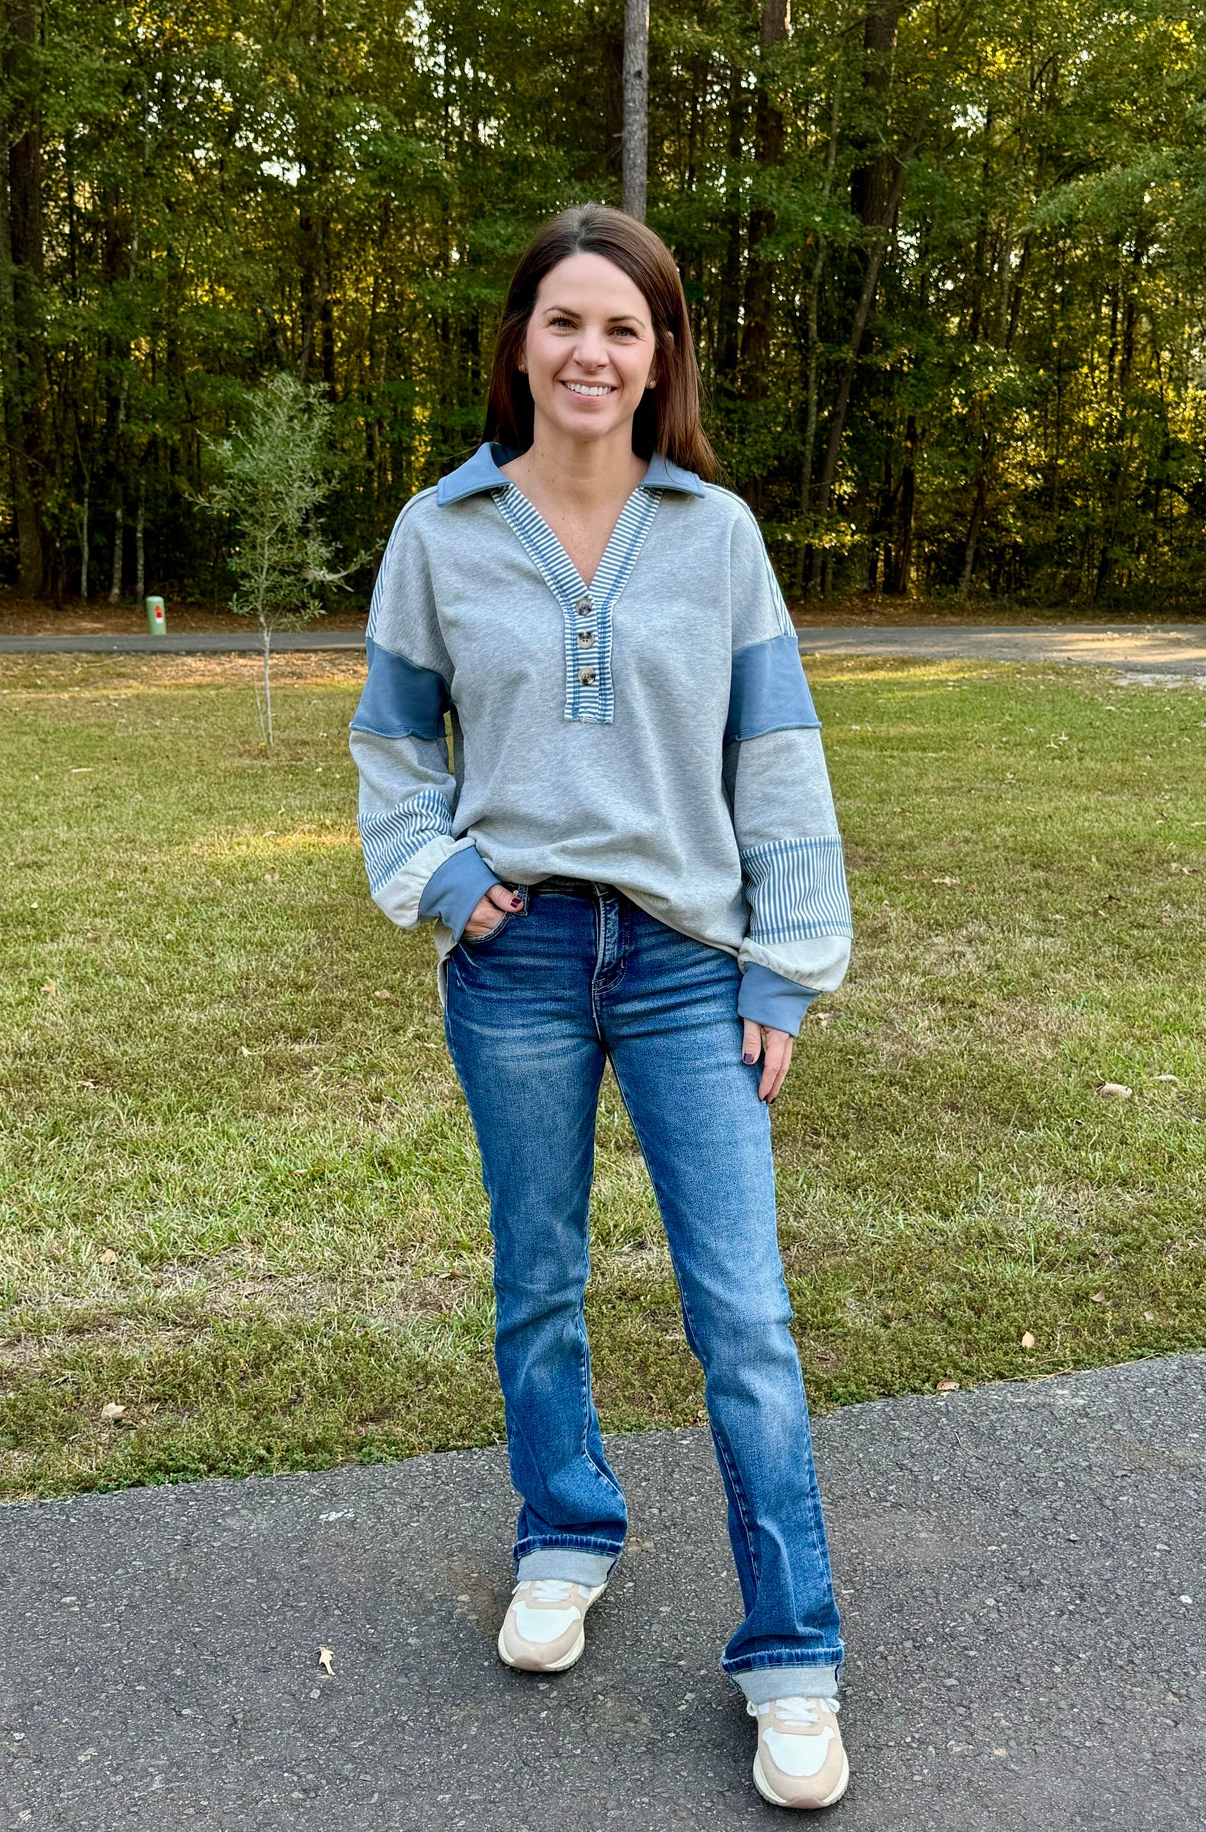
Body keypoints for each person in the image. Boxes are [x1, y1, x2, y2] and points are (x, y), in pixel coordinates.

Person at [349, 203, 853, 1810]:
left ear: (659, 359)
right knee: (539, 1278)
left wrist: (786, 959)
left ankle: (792, 1655)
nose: (590, 352)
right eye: (564, 321)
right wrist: (437, 877)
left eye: (623, 328)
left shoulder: (715, 534)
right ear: (519, 344)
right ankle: (562, 1535)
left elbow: (774, 762)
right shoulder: (439, 532)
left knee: (744, 1318)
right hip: (513, 966)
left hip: (685, 961)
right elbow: (391, 747)